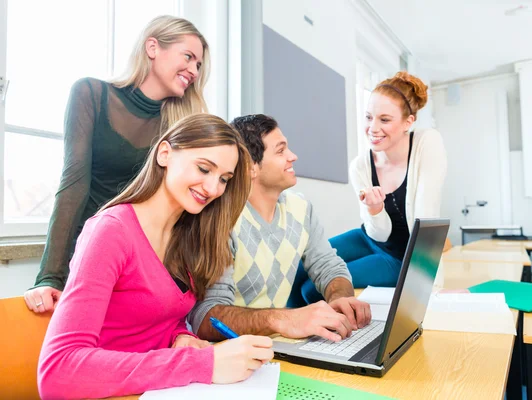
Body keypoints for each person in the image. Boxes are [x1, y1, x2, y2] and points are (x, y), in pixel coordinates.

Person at [37, 114, 274, 399]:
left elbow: (155, 319)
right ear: (164, 154)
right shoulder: (110, 232)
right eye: (203, 168)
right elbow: (57, 372)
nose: (213, 189)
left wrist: (179, 336)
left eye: (224, 179)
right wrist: (202, 363)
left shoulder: (185, 235)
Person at [25, 15, 211, 313]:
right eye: (188, 57)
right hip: (89, 255)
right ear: (153, 47)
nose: (194, 70)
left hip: (145, 265)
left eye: (199, 65)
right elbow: (73, 185)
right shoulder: (91, 94)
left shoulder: (180, 127)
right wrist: (49, 276)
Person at [189, 114, 372, 344]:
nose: (293, 156)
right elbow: (206, 317)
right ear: (250, 167)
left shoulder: (302, 209)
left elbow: (329, 267)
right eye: (280, 150)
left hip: (280, 346)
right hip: (232, 354)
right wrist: (284, 319)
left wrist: (341, 299)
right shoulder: (222, 219)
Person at [299, 71, 447, 304]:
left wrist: (430, 286)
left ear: (408, 122)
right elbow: (378, 233)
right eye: (369, 117)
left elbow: (426, 219)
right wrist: (375, 210)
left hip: (399, 259)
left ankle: (311, 333)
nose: (372, 128)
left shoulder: (427, 143)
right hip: (369, 238)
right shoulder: (360, 166)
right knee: (301, 266)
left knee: (313, 289)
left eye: (385, 120)